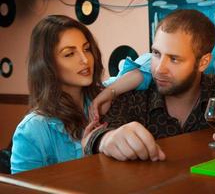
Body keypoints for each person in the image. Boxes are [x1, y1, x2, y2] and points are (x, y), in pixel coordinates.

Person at [85, 9, 215, 162]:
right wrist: (106, 140)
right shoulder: (134, 96)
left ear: (203, 62)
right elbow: (92, 137)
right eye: (157, 54)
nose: (159, 68)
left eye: (175, 59)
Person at [10, 15, 150, 174]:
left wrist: (109, 92)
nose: (85, 59)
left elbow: (152, 63)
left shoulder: (104, 95)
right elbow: (21, 190)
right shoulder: (33, 129)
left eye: (86, 49)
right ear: (47, 64)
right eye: (69, 54)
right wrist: (87, 154)